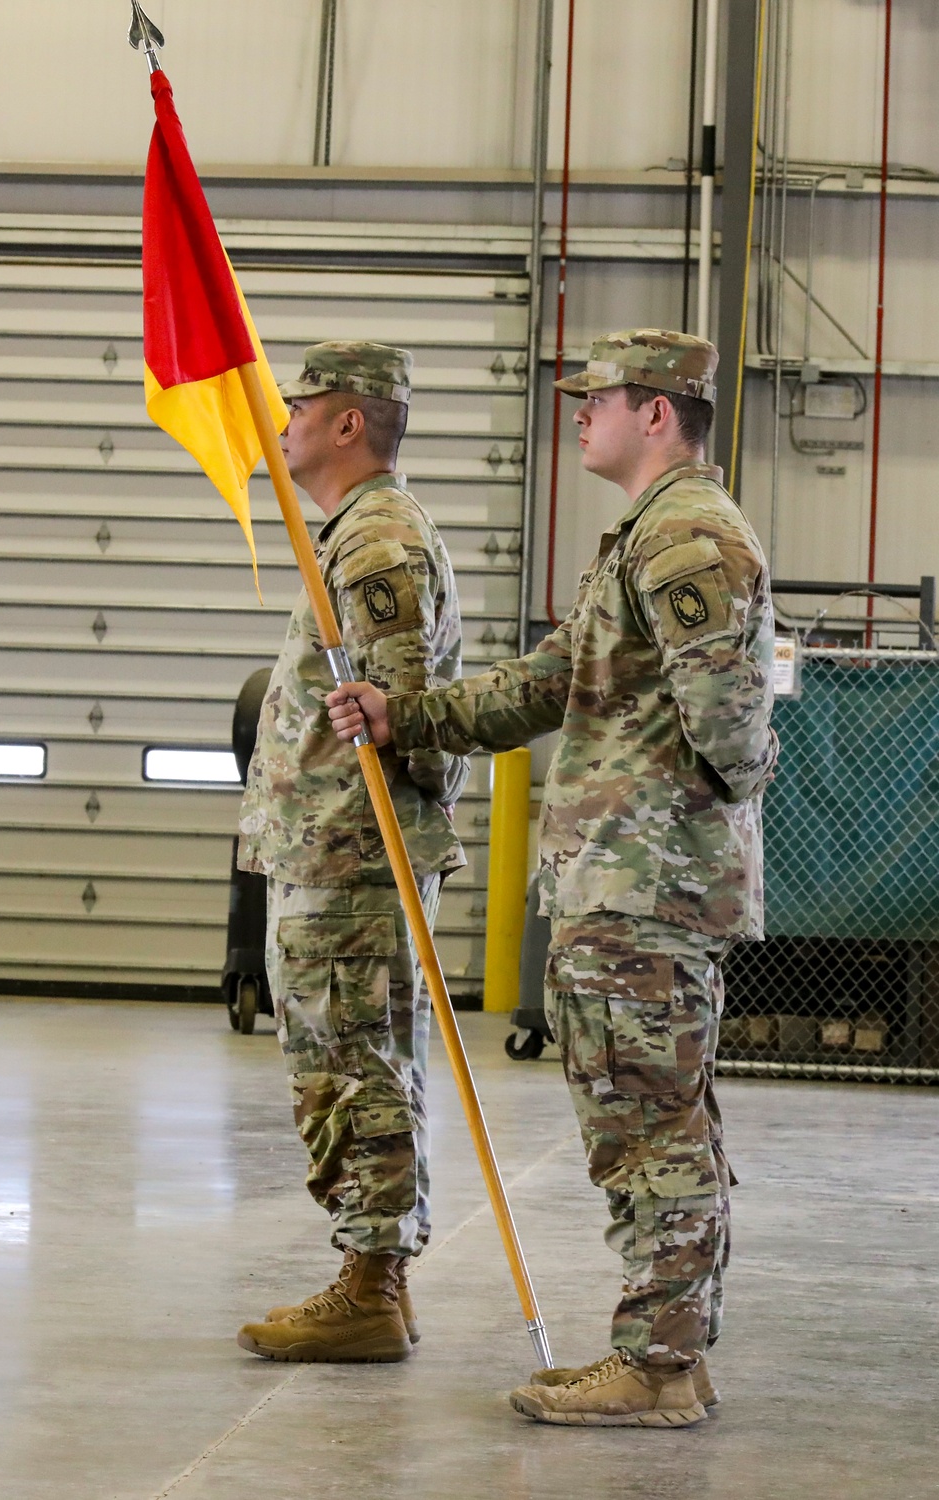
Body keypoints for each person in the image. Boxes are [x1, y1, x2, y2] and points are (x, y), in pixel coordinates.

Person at [327, 329, 778, 1425]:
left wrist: (663, 830)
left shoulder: (684, 538)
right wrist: (411, 714)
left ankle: (660, 1369)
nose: (580, 414)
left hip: (644, 887)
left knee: (650, 1126)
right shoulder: (642, 534)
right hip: (623, 880)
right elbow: (553, 682)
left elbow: (733, 725)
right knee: (643, 1120)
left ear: (657, 413)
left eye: (600, 399)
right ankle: (661, 1351)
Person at [235, 340, 469, 1364]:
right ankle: (380, 1273)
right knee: (350, 1061)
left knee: (352, 1067)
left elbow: (403, 714)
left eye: (299, 405)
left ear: (347, 422)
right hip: (332, 851)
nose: (279, 422)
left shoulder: (376, 541)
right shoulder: (355, 532)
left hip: (350, 856)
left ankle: (371, 1282)